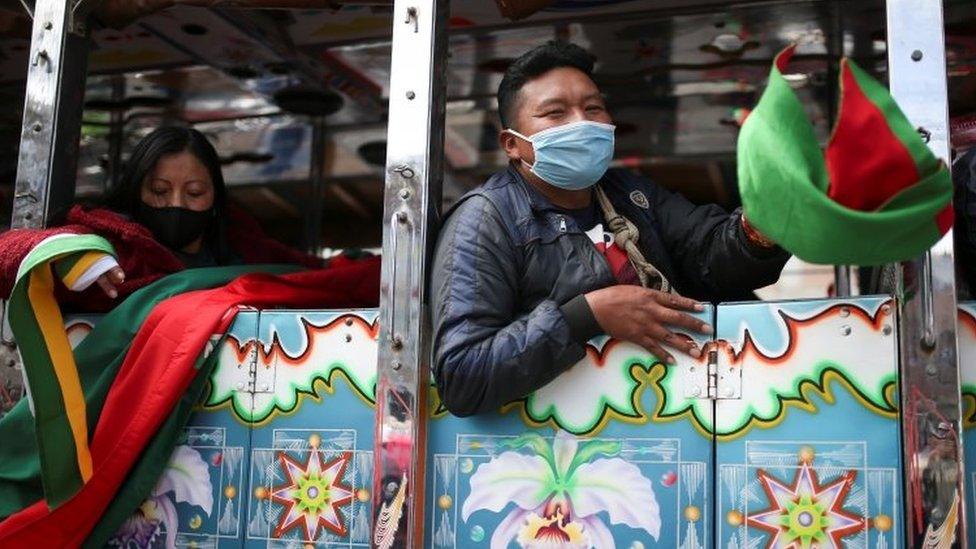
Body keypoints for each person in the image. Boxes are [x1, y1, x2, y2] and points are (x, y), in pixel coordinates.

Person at [430, 41, 790, 417]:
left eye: (593, 108)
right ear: (513, 144)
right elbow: (462, 377)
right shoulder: (485, 220)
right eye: (555, 113)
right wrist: (585, 316)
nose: (581, 123)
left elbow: (712, 254)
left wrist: (762, 223)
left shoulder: (631, 194)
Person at [0, 127, 324, 312]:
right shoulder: (114, 247)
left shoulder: (245, 249)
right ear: (136, 190)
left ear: (215, 201)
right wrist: (74, 252)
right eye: (159, 190)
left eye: (195, 192)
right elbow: (10, 252)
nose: (176, 203)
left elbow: (314, 276)